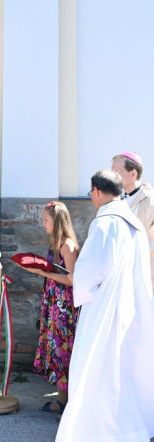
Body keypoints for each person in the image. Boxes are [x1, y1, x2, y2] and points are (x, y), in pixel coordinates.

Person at [56, 170, 154, 442]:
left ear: (97, 192)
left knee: (97, 368)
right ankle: (130, 429)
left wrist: (81, 289)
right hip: (131, 307)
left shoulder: (104, 224)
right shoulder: (134, 224)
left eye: (91, 193)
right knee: (123, 370)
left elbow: (88, 273)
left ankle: (95, 431)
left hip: (104, 308)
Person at [21, 201, 79, 414]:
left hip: (64, 307)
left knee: (63, 352)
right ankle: (62, 402)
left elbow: (72, 279)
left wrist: (42, 273)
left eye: (46, 219)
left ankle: (65, 405)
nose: (43, 223)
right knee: (58, 351)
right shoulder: (57, 242)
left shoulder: (67, 245)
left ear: (57, 222)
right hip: (56, 304)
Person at [112, 150, 154, 290]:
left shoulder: (150, 201)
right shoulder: (118, 201)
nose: (112, 177)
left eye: (117, 172)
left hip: (145, 273)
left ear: (133, 174)